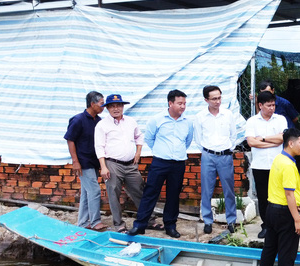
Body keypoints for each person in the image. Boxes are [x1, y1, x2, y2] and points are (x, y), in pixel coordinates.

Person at [128, 90, 194, 238]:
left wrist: (176, 153)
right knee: (150, 193)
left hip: (178, 163)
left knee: (173, 195)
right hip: (159, 162)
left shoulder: (188, 122)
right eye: (179, 103)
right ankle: (140, 225)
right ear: (170, 103)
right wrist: (161, 151)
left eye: (184, 103)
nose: (183, 106)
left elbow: (187, 141)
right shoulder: (157, 120)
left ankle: (170, 225)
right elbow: (150, 139)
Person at [94, 94, 154, 233]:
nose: (116, 109)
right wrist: (103, 167)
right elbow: (99, 146)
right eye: (112, 106)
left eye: (119, 105)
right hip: (112, 164)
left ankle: (149, 219)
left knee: (140, 190)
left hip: (130, 164)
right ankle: (119, 224)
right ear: (107, 108)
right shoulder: (102, 125)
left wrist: (138, 152)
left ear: (123, 107)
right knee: (114, 193)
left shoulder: (131, 121)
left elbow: (139, 136)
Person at [258, 128, 300, 266]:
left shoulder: (279, 159)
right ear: (290, 143)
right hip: (284, 214)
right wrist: (297, 219)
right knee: (287, 251)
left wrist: (296, 206)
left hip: (272, 209)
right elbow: (289, 194)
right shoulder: (288, 166)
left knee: (270, 248)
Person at [194, 85, 238, 235]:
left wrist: (229, 148)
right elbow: (198, 139)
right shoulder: (200, 117)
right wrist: (208, 151)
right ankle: (207, 221)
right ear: (206, 99)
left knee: (229, 190)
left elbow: (233, 135)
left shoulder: (228, 114)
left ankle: (231, 220)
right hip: (208, 156)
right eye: (214, 99)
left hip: (225, 156)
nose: (217, 101)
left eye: (219, 98)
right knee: (207, 190)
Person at [246, 91, 288, 238]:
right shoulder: (252, 121)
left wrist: (262, 139)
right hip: (260, 165)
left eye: (273, 105)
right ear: (260, 105)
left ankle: (281, 224)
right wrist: (271, 141)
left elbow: (282, 139)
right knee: (264, 198)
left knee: (281, 196)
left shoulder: (280, 119)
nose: (272, 108)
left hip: (278, 165)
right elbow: (251, 142)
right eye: (268, 105)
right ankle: (266, 226)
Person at [64, 91, 107, 231]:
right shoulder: (78, 120)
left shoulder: (98, 121)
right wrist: (75, 161)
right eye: (101, 104)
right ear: (92, 104)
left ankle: (82, 223)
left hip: (93, 161)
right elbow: (70, 140)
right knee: (94, 191)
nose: (104, 106)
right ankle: (95, 222)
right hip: (83, 162)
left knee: (86, 193)